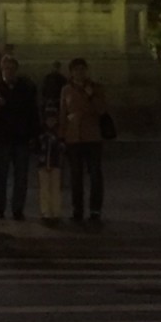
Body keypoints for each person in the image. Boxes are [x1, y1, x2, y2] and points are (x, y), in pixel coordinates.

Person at [0, 55, 38, 220]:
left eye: (11, 69)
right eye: (6, 69)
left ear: (16, 70)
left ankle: (17, 208)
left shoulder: (25, 89)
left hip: (20, 137)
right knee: (0, 175)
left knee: (21, 176)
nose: (9, 72)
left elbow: (33, 113)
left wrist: (33, 135)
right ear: (2, 70)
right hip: (2, 137)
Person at [59, 57, 107, 222]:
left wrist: (91, 95)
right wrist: (61, 136)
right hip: (74, 137)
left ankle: (95, 210)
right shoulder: (66, 90)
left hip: (92, 136)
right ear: (71, 72)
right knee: (76, 176)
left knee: (95, 174)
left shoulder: (96, 88)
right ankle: (77, 209)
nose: (79, 73)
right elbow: (63, 114)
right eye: (76, 70)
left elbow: (102, 110)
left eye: (82, 69)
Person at [37, 110, 64, 221]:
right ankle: (45, 211)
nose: (51, 122)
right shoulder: (42, 134)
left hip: (55, 164)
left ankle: (55, 210)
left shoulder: (58, 134)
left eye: (53, 119)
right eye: (49, 119)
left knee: (55, 188)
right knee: (45, 188)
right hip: (43, 164)